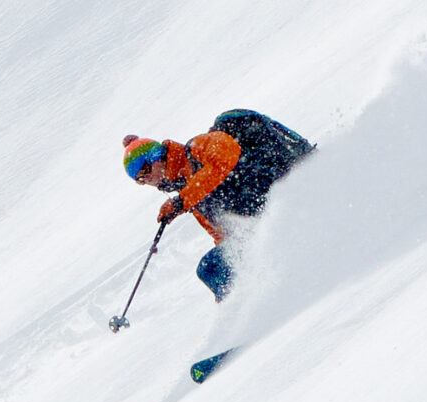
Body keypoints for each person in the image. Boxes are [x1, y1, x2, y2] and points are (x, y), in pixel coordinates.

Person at [122, 109, 315, 299]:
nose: (147, 179)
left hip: (274, 190)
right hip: (261, 223)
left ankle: (255, 301)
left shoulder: (197, 148)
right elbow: (222, 233)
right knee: (211, 268)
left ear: (156, 156)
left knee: (210, 267)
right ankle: (244, 304)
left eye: (145, 170)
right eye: (140, 179)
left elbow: (226, 157)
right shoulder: (190, 194)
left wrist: (181, 202)